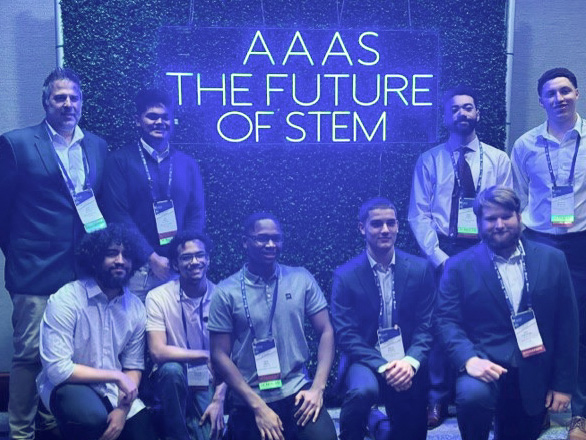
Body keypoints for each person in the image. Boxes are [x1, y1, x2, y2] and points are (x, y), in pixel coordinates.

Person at [0, 67, 108, 440]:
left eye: (73, 98)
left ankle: (50, 423)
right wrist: (17, 254)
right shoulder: (16, 143)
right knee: (30, 355)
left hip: (80, 272)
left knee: (65, 357)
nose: (67, 104)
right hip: (33, 270)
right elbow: (2, 210)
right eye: (59, 97)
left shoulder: (96, 145)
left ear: (81, 103)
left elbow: (94, 206)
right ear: (46, 102)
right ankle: (19, 432)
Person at [435, 185, 579, 440]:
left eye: (506, 216)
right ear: (479, 222)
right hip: (483, 365)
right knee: (472, 397)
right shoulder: (458, 267)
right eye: (490, 218)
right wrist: (469, 360)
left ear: (519, 217)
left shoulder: (553, 259)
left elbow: (567, 325)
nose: (499, 224)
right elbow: (447, 321)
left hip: (534, 366)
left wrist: (563, 385)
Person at [408, 85, 513, 428]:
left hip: (486, 250)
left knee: (489, 320)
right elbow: (418, 214)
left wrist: (491, 249)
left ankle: (492, 395)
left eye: (468, 107)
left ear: (478, 113)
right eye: (454, 109)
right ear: (445, 117)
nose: (462, 114)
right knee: (440, 323)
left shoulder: (498, 159)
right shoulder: (430, 160)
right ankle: (437, 398)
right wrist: (440, 258)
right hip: (443, 250)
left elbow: (505, 210)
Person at [208, 213, 337, 440]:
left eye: (276, 238)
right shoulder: (225, 291)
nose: (270, 244)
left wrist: (317, 388)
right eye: (262, 238)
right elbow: (219, 355)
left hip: (297, 389)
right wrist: (258, 407)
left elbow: (326, 331)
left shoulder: (301, 278)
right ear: (245, 241)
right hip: (250, 396)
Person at [511, 67, 586, 440]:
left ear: (577, 93)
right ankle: (536, 408)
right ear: (541, 100)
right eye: (551, 94)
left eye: (565, 91)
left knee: (583, 328)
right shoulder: (525, 145)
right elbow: (518, 197)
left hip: (583, 244)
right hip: (539, 242)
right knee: (537, 328)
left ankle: (580, 415)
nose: (559, 99)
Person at [36, 224, 157, 440]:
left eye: (127, 255)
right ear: (94, 258)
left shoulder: (136, 308)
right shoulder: (67, 299)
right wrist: (116, 376)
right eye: (112, 253)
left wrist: (122, 410)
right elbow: (57, 369)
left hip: (113, 391)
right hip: (68, 386)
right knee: (93, 420)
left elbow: (133, 366)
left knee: (144, 433)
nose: (120, 260)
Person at [331, 197, 435, 440]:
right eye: (377, 224)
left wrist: (410, 361)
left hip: (408, 357)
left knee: (410, 431)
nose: (385, 230)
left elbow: (427, 325)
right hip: (366, 359)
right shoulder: (345, 276)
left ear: (398, 226)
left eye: (391, 223)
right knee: (362, 391)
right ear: (362, 228)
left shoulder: (420, 269)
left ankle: (379, 424)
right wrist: (384, 365)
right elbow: (346, 335)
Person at [102, 88, 205, 301]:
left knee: (180, 333)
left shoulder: (187, 164)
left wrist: (183, 254)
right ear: (138, 121)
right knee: (137, 333)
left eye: (165, 117)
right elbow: (118, 216)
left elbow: (197, 213)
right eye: (152, 116)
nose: (160, 122)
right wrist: (152, 258)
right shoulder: (119, 161)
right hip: (137, 269)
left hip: (180, 268)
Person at [145, 231, 226, 439]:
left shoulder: (222, 297)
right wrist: (204, 355)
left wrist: (218, 399)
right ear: (175, 265)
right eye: (186, 257)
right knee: (172, 370)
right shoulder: (157, 297)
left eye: (200, 255)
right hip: (170, 378)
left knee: (210, 434)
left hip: (208, 379)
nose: (194, 261)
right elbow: (157, 352)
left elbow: (231, 358)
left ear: (208, 259)